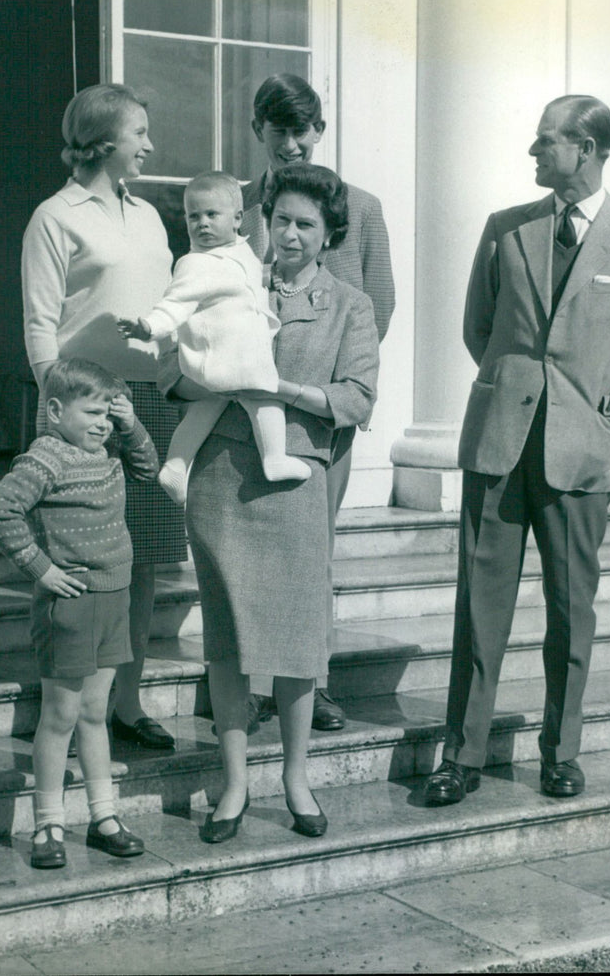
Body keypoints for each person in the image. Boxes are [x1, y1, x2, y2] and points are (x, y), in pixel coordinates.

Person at [424, 95, 610, 807]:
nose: (533, 155)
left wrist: (604, 423)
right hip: (498, 449)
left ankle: (561, 752)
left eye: (546, 144)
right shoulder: (506, 230)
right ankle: (463, 754)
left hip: (580, 457)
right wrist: (512, 391)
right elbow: (481, 328)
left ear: (588, 149)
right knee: (478, 610)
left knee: (571, 612)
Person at [180, 164, 379, 842]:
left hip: (297, 476)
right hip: (222, 477)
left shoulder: (350, 304)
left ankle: (296, 778)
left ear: (329, 236)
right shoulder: (228, 274)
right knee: (228, 639)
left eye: (305, 225)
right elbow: (182, 362)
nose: (288, 235)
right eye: (281, 220)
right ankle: (233, 785)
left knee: (297, 640)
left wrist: (284, 390)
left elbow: (357, 399)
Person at [22, 83, 188, 750]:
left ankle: (125, 700)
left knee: (140, 562)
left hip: (148, 402)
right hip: (80, 407)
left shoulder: (148, 215)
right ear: (103, 140)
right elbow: (39, 325)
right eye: (139, 132)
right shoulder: (54, 217)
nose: (149, 145)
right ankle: (65, 709)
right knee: (76, 562)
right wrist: (60, 411)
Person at [241, 73, 395, 732]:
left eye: (304, 135)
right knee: (246, 547)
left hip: (320, 409)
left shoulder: (356, 207)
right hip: (241, 406)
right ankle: (249, 683)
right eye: (281, 136)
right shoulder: (238, 204)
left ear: (320, 133)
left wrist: (337, 374)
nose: (293, 147)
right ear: (261, 134)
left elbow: (379, 300)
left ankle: (314, 681)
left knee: (311, 551)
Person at [0, 359, 156, 868]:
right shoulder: (47, 457)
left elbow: (148, 467)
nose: (102, 423)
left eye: (109, 413)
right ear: (56, 410)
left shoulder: (110, 450)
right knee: (59, 717)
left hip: (115, 598)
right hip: (72, 606)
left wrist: (133, 423)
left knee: (95, 714)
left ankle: (104, 817)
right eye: (92, 412)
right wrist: (40, 570)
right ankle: (48, 824)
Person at [117, 170, 310, 503]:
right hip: (229, 358)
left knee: (207, 407)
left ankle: (176, 465)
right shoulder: (195, 264)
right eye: (193, 216)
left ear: (237, 220)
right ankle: (275, 457)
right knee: (266, 399)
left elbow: (242, 278)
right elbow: (173, 305)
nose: (201, 223)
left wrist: (268, 277)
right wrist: (148, 327)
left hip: (229, 358)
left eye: (211, 215)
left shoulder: (241, 253)